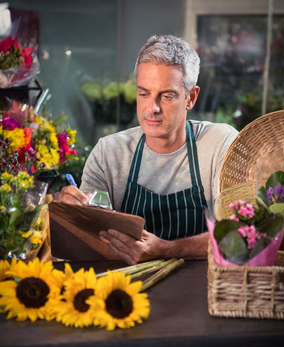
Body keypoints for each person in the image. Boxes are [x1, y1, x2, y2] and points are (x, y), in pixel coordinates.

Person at [54, 35, 238, 265]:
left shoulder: (220, 144)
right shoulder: (109, 153)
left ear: (191, 98)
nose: (153, 108)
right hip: (127, 290)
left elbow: (240, 233)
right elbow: (89, 241)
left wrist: (168, 249)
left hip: (201, 289)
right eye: (144, 94)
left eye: (167, 95)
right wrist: (72, 214)